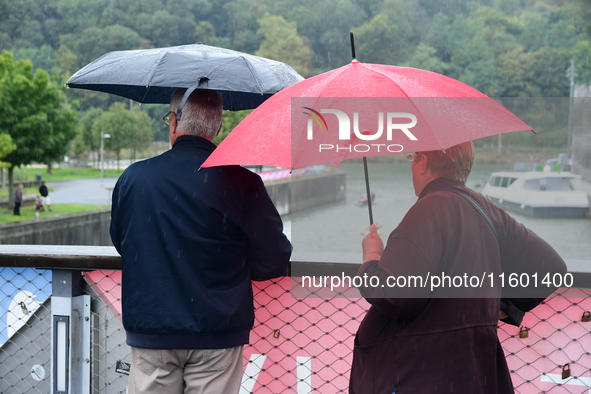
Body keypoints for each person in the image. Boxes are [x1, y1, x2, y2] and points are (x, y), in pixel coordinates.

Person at [110, 88, 292, 394]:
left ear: (173, 122)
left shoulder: (135, 178)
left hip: (152, 328)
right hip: (218, 330)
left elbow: (122, 241)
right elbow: (274, 259)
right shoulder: (243, 182)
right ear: (217, 127)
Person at [349, 142, 567, 394]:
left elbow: (395, 295)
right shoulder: (487, 210)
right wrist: (492, 306)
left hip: (414, 372)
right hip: (471, 370)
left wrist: (372, 256)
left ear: (421, 160)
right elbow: (550, 269)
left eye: (412, 158)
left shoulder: (427, 209)